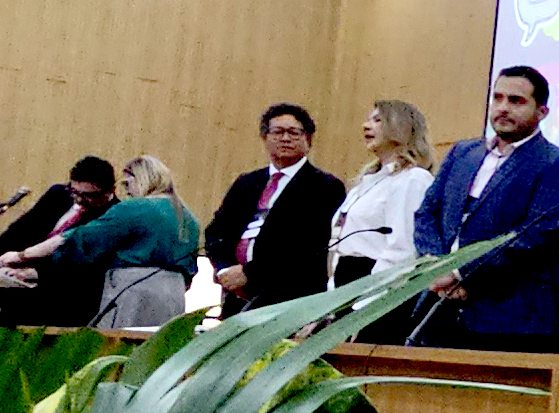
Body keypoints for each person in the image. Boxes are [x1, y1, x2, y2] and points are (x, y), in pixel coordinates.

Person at [411, 66, 559, 352]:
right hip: (439, 306)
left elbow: (535, 238)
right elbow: (427, 213)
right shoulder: (463, 153)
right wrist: (435, 267)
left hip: (509, 319)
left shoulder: (558, 165)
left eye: (516, 101)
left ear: (542, 112)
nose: (503, 108)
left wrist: (459, 273)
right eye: (498, 98)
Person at [0, 156, 201, 330]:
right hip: (173, 295)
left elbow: (76, 239)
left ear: (140, 179)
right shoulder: (189, 217)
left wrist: (21, 256)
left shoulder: (134, 208)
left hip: (132, 292)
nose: (127, 191)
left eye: (127, 184)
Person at [204, 104, 346, 315]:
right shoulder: (246, 183)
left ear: (308, 139)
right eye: (278, 132)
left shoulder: (325, 186)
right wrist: (225, 270)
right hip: (237, 297)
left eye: (293, 132)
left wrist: (249, 273)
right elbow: (217, 233)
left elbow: (309, 244)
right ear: (265, 138)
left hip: (288, 298)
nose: (285, 138)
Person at [327, 99, 438, 344]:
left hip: (377, 291)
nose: (366, 126)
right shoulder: (366, 181)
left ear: (401, 127)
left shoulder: (412, 179)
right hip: (347, 286)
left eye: (378, 120)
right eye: (368, 119)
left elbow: (402, 249)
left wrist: (366, 307)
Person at [0, 157, 116, 328]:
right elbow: (20, 230)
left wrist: (35, 272)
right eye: (75, 192)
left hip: (58, 293)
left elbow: (87, 267)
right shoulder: (59, 194)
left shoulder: (113, 216)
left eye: (88, 195)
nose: (79, 200)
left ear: (109, 191)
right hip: (17, 275)